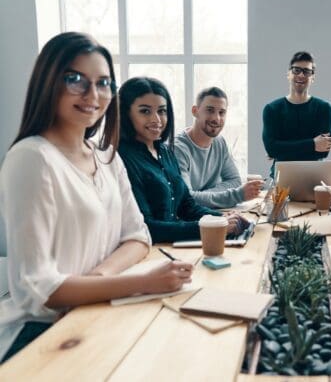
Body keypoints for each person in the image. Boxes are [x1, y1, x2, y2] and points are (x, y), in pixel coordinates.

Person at [0, 32, 194, 363]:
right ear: (48, 82)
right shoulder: (31, 157)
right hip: (38, 331)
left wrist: (98, 279)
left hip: (97, 308)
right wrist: (142, 282)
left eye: (103, 83)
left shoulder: (107, 158)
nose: (93, 94)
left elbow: (138, 236)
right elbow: (40, 289)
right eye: (76, 80)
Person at [118, 77, 248, 243]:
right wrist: (214, 226)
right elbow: (146, 227)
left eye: (162, 111)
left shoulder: (164, 151)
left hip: (175, 244)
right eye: (145, 111)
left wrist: (223, 218)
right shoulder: (122, 158)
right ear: (126, 113)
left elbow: (187, 206)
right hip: (150, 250)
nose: (156, 120)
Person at [174, 87, 263, 209]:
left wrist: (200, 196)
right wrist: (237, 195)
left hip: (214, 213)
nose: (217, 118)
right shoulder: (178, 149)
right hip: (189, 221)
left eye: (222, 112)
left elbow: (234, 180)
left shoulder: (219, 142)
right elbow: (186, 200)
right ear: (195, 111)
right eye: (210, 110)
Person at [262, 51, 331, 177]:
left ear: (313, 77)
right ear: (288, 74)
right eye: (296, 70)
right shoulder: (272, 109)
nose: (301, 75)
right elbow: (271, 148)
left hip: (314, 176)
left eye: (306, 71)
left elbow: (323, 152)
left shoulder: (324, 108)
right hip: (281, 178)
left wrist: (283, 149)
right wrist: (312, 144)